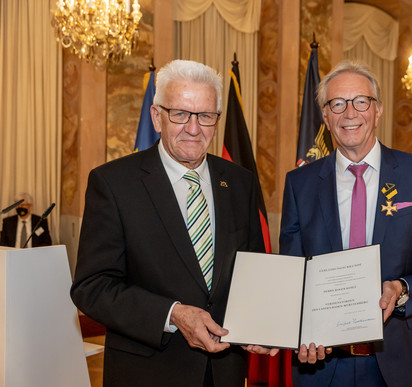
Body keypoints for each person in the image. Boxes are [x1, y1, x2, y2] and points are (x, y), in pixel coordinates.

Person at [71, 59, 276, 387]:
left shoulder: (240, 183)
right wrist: (172, 314)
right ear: (157, 116)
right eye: (180, 114)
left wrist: (264, 322)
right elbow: (92, 287)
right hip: (148, 373)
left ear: (217, 120)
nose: (193, 129)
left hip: (225, 372)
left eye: (205, 116)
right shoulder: (114, 183)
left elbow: (252, 271)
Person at [279, 60, 412, 387]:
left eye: (361, 101)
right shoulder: (299, 184)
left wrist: (401, 290)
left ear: (377, 111)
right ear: (325, 116)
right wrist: (298, 330)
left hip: (401, 359)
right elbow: (293, 277)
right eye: (337, 104)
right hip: (322, 363)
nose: (350, 113)